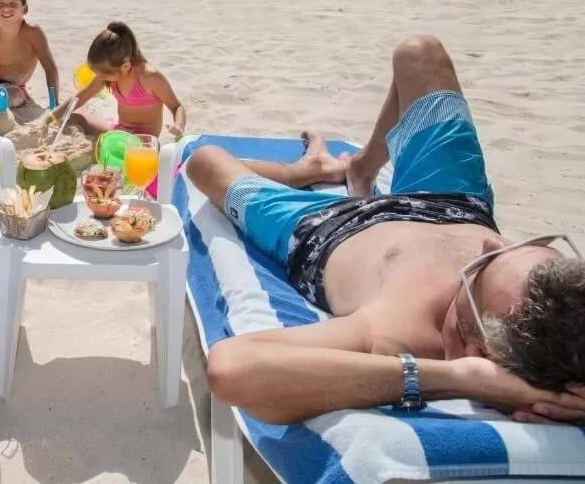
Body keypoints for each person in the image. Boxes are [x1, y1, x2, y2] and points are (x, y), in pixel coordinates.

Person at [186, 35, 585, 425]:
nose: (489, 244)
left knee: (204, 162)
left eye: (476, 272)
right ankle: (362, 167)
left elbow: (232, 368)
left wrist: (460, 379)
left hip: (329, 227)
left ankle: (305, 172)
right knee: (419, 54)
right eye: (508, 249)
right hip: (455, 202)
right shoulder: (520, 270)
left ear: (475, 349)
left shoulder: (400, 328)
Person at [48, 21, 187, 140]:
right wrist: (49, 118)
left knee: (106, 149)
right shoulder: (110, 74)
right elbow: (80, 97)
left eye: (103, 76)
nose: (100, 78)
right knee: (74, 117)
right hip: (119, 131)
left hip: (143, 141)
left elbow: (177, 107)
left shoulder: (150, 78)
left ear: (125, 66)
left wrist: (178, 126)